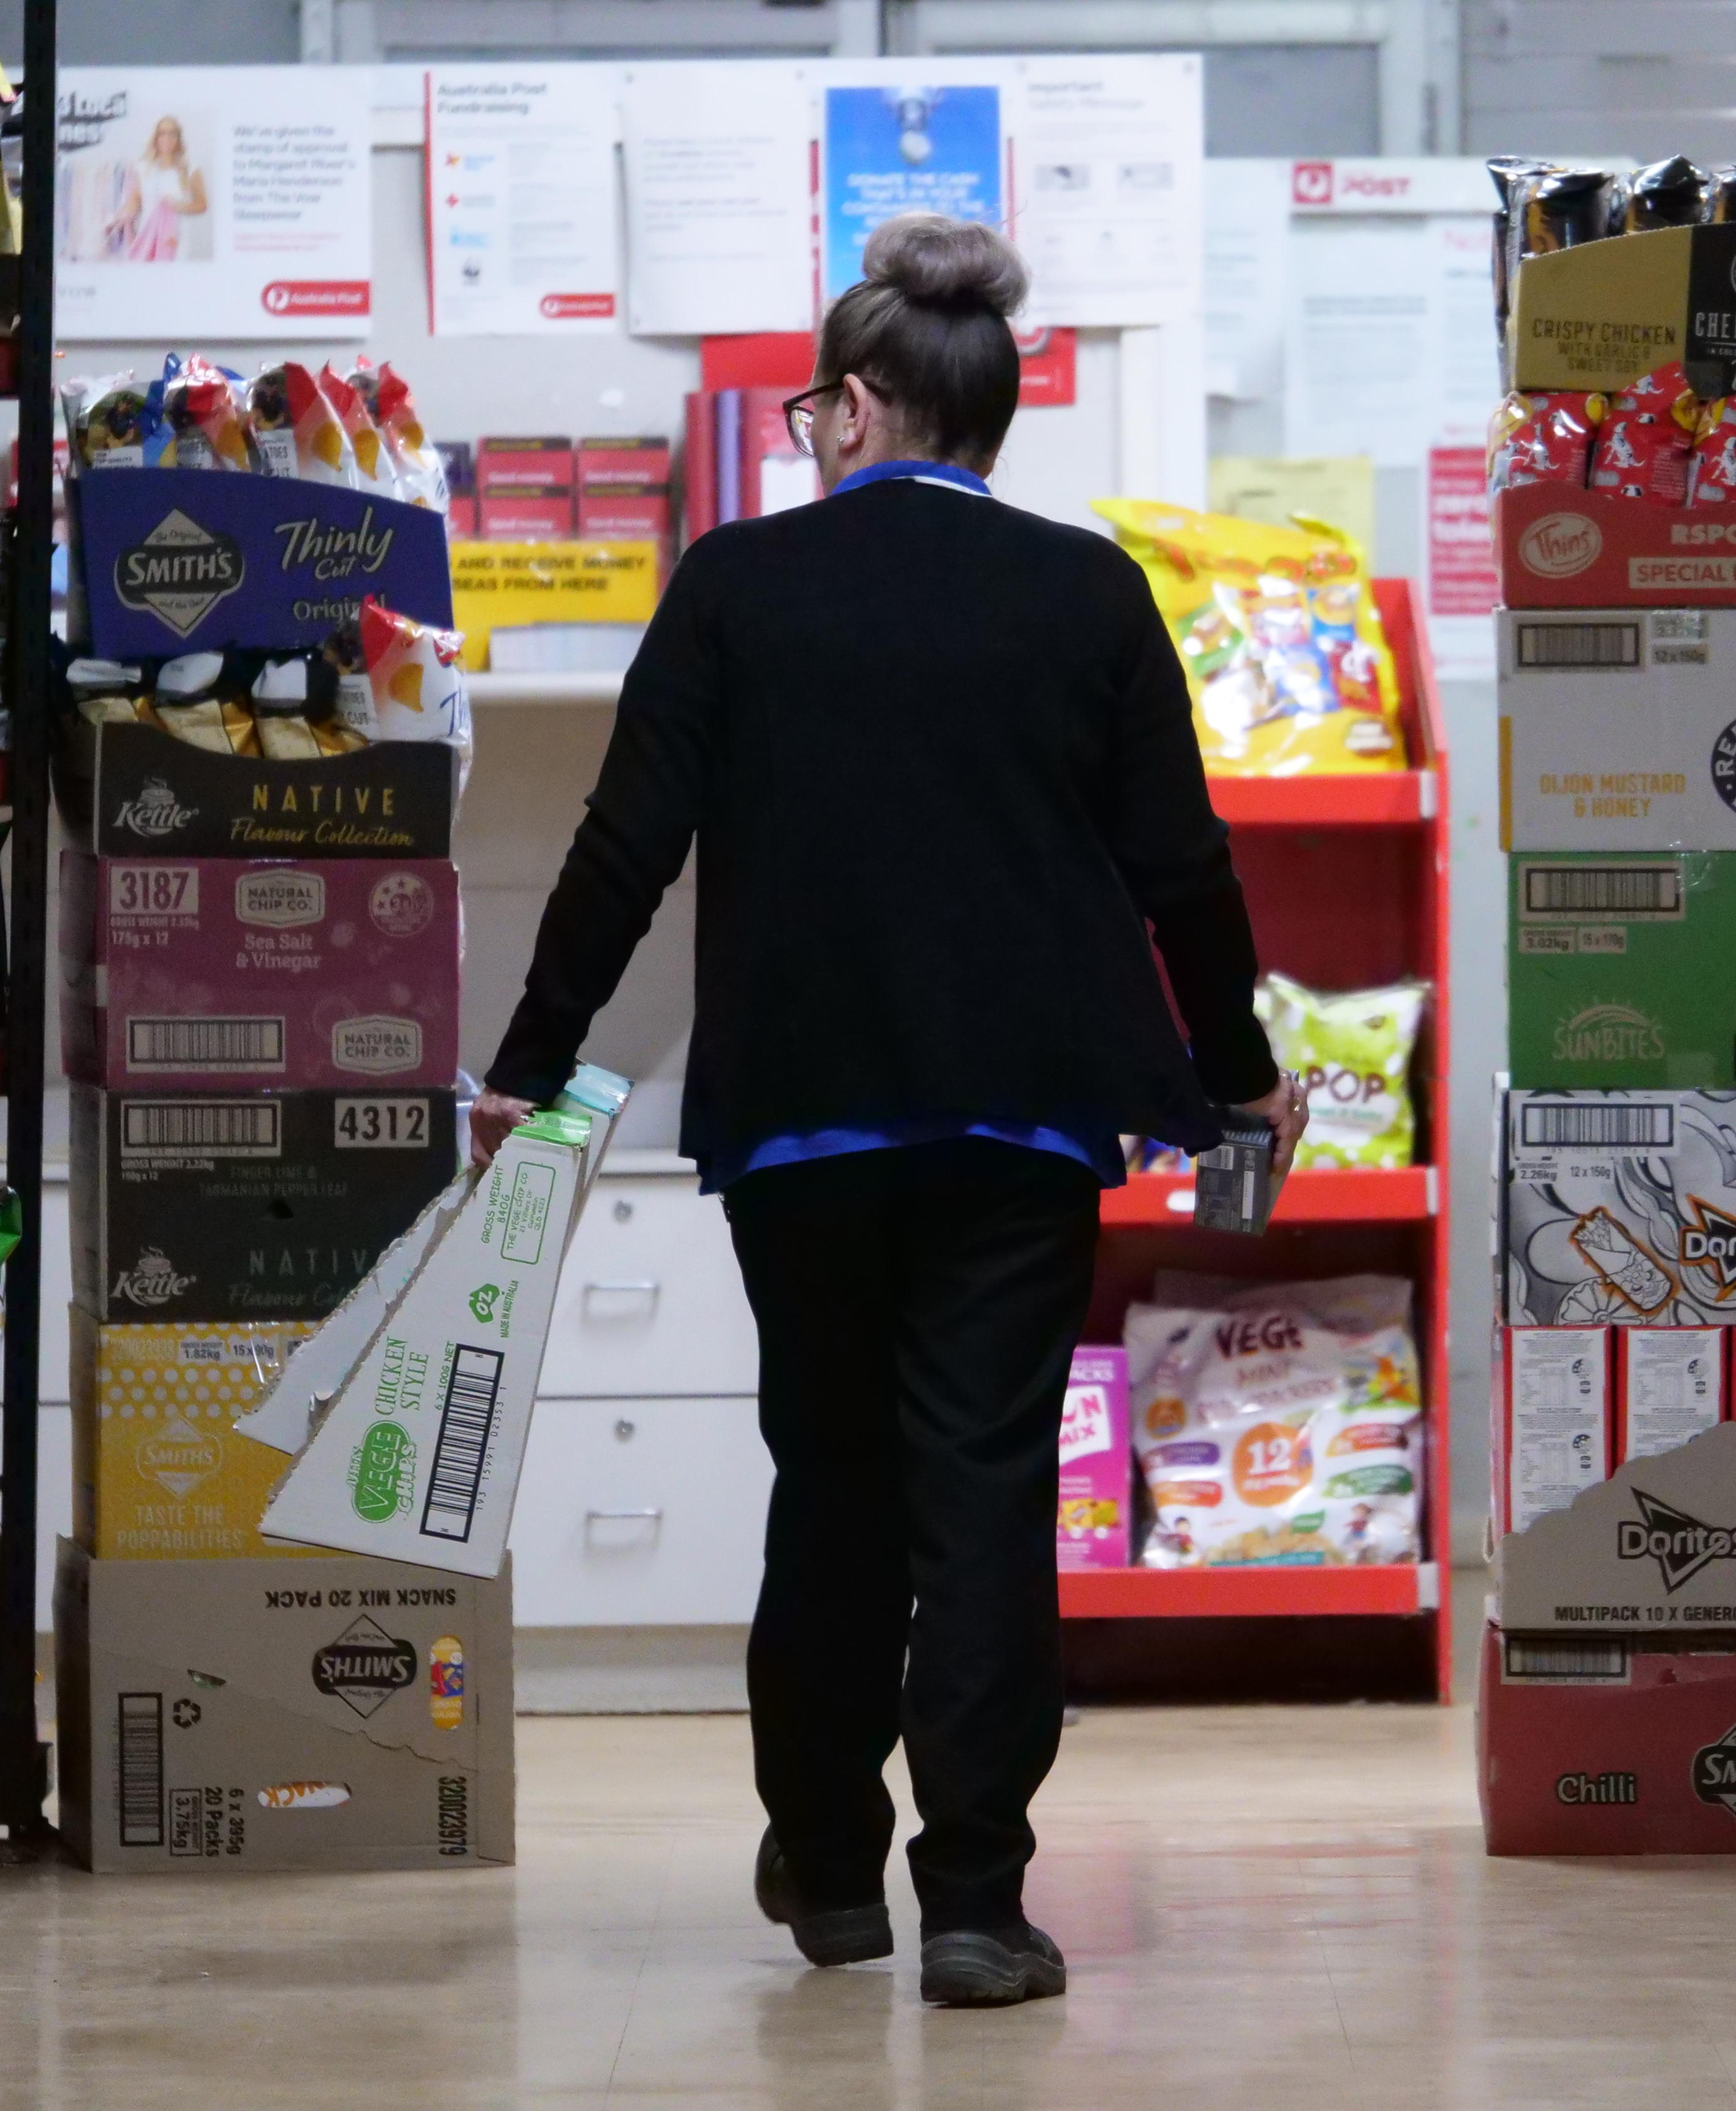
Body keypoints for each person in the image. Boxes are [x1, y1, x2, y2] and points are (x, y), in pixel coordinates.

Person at [478, 211, 1302, 2010]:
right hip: (1022, 1120)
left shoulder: (735, 585)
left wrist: (530, 1063)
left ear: (854, 408)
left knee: (831, 1481)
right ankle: (983, 1905)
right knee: (985, 1496)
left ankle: (834, 1862)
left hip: (803, 1118)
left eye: (807, 411)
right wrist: (1238, 1072)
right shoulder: (1087, 588)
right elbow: (1184, 868)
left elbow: (627, 847)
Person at [115, 115, 206, 261]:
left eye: (172, 133)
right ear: (156, 137)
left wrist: (179, 206)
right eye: (162, 133)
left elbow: (202, 205)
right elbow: (136, 199)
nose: (167, 138)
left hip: (177, 241)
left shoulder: (191, 169)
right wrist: (123, 213)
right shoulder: (142, 168)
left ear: (178, 138)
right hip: (148, 239)